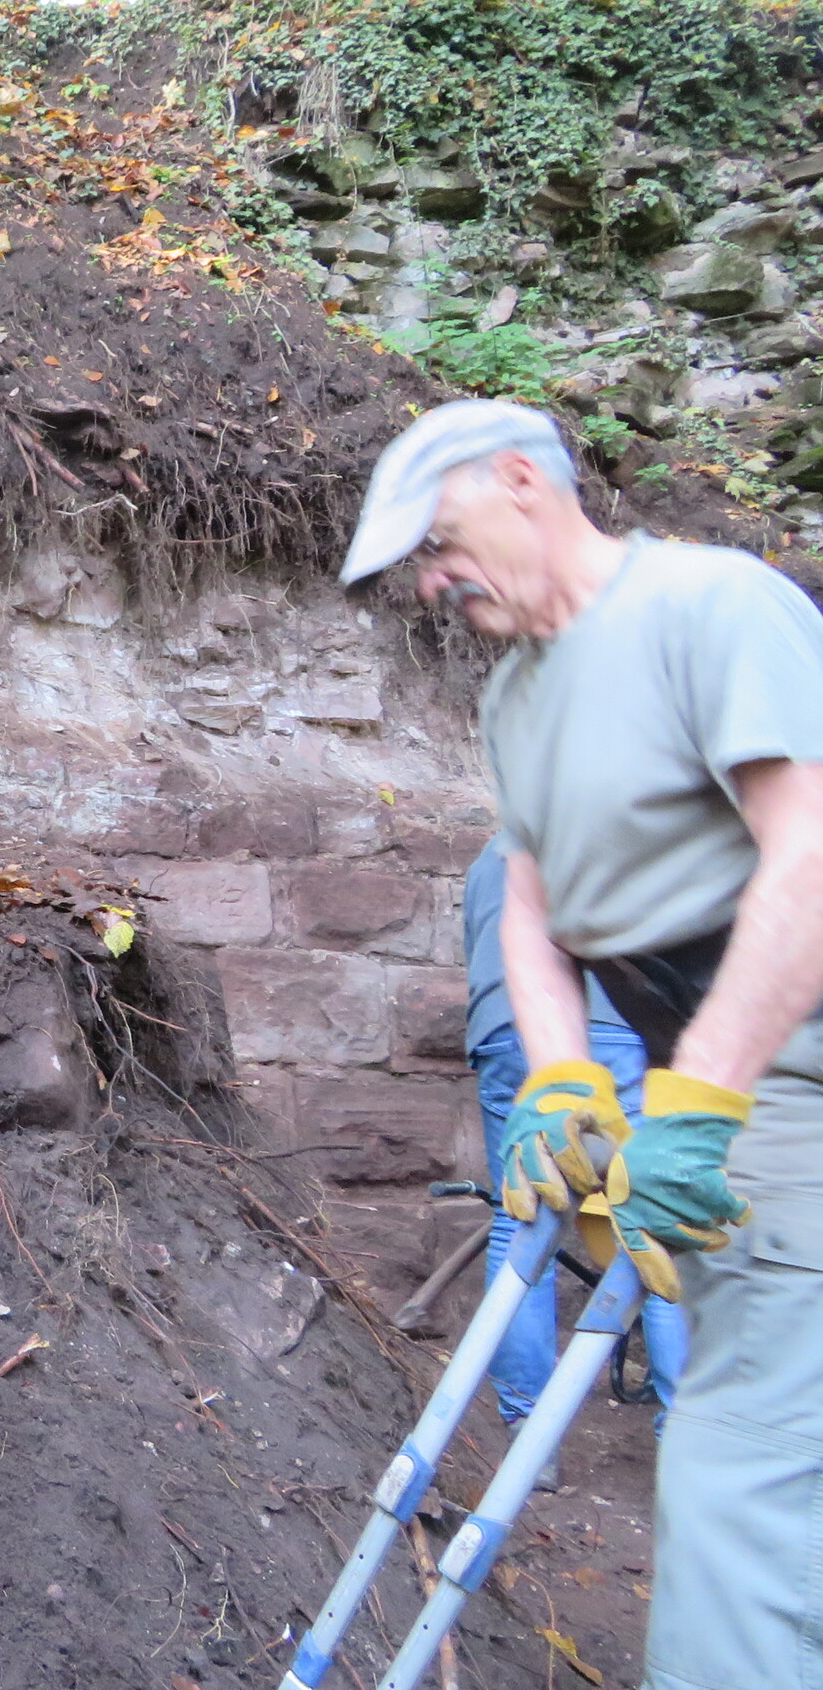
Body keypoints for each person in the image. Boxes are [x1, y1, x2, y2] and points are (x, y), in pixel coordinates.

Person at [342, 398, 823, 1690]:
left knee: (744, 1504)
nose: (431, 580)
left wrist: (701, 1105)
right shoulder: (518, 696)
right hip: (709, 1078)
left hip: (795, 1084)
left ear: (521, 480)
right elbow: (532, 911)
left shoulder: (711, 608)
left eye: (440, 542)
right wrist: (561, 1084)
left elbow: (810, 857)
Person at [461, 837, 688, 1450]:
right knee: (652, 1219)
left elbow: (482, 958)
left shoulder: (489, 860)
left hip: (508, 1032)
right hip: (617, 1028)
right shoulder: (611, 827)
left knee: (521, 1218)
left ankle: (528, 1431)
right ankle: (685, 1429)